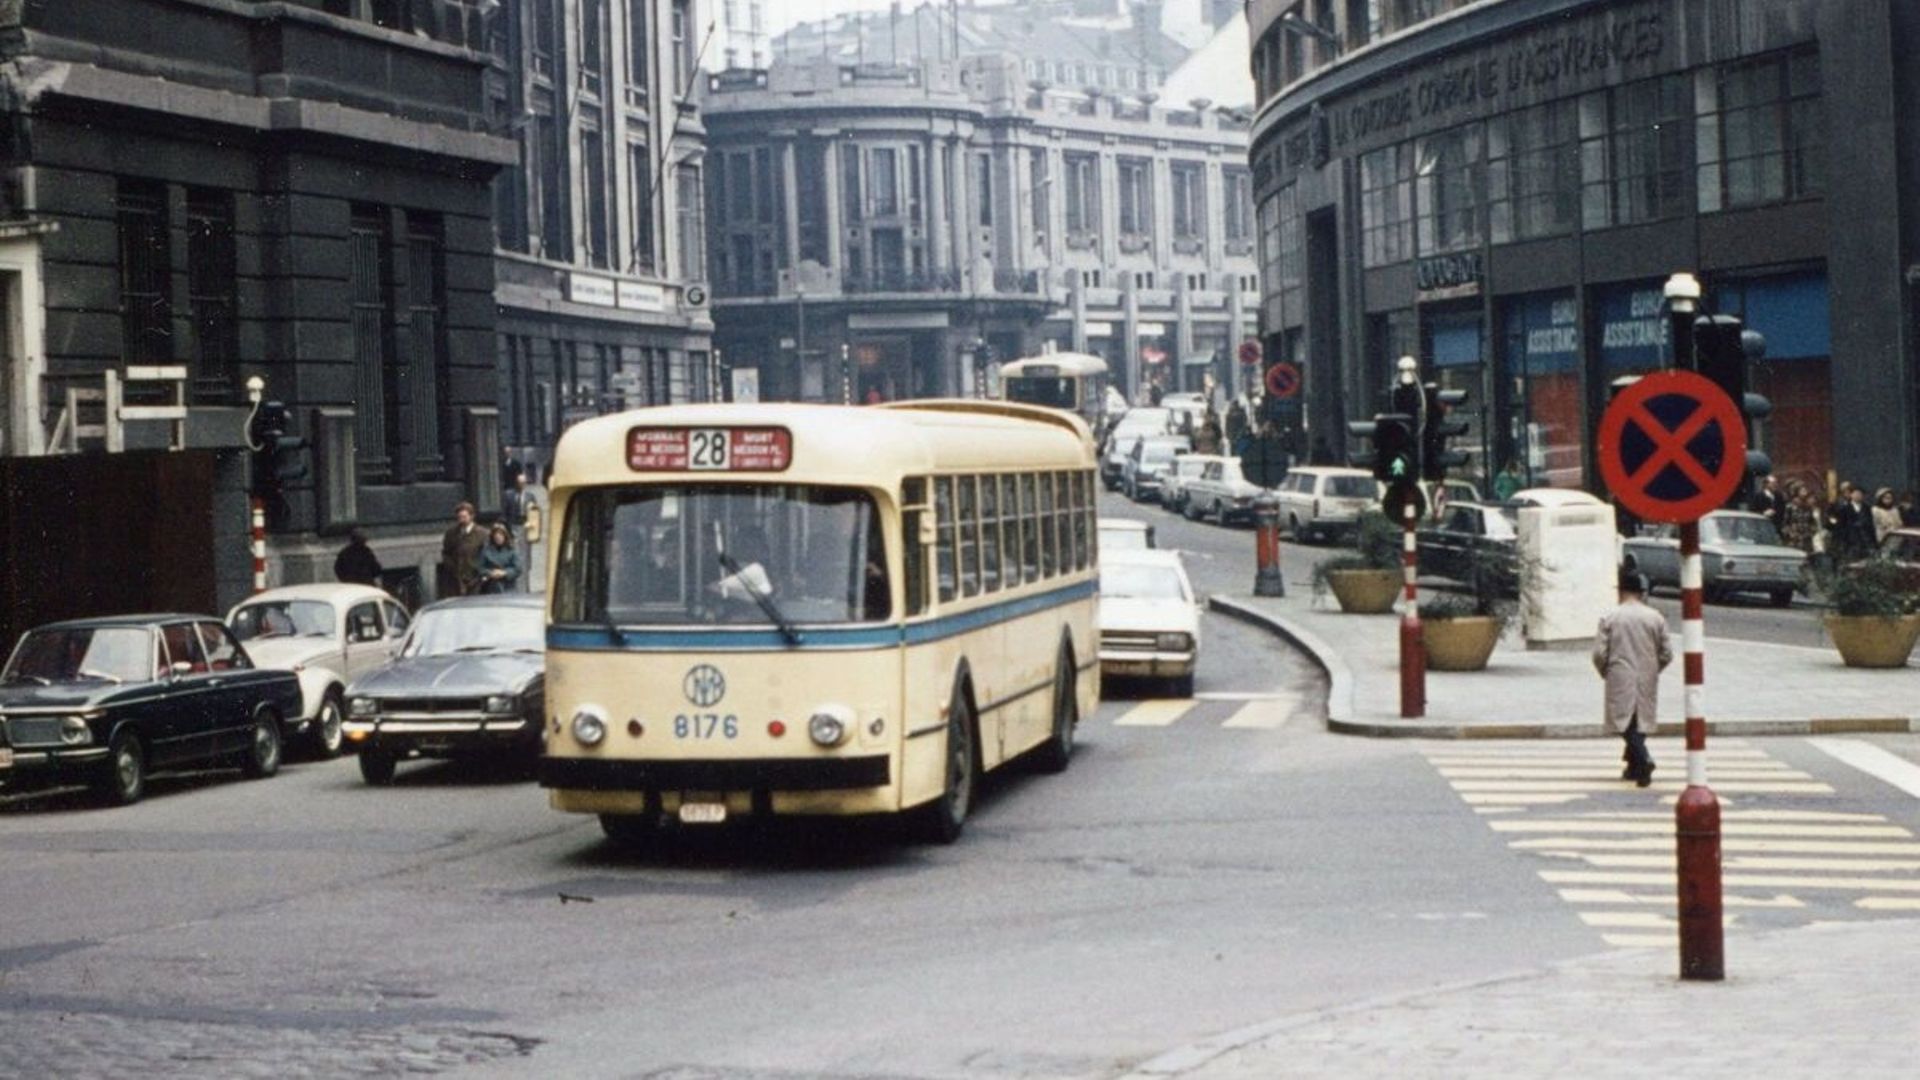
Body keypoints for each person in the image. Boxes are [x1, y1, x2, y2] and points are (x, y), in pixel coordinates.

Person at [1593, 568, 1672, 788]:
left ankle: (1644, 759)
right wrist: (1654, 668)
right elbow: (1667, 653)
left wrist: (1606, 671)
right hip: (1647, 674)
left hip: (1619, 673)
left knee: (1623, 721)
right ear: (1641, 593)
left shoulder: (1611, 617)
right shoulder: (1655, 617)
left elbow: (1599, 653)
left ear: (1621, 591)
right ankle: (1633, 766)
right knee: (1639, 720)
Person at [438, 501, 487, 598]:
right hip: (456, 578)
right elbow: (446, 552)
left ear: (471, 516)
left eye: (464, 517)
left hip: (476, 577)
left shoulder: (482, 534)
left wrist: (480, 570)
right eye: (460, 517)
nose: (462, 520)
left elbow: (486, 554)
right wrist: (451, 567)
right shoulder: (451, 533)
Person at [477, 522, 522, 594]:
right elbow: (480, 568)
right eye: (496, 536)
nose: (498, 538)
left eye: (501, 535)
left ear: (505, 536)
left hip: (508, 587)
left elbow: (518, 568)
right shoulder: (486, 550)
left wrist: (504, 573)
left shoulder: (511, 550)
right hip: (490, 587)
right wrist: (490, 573)